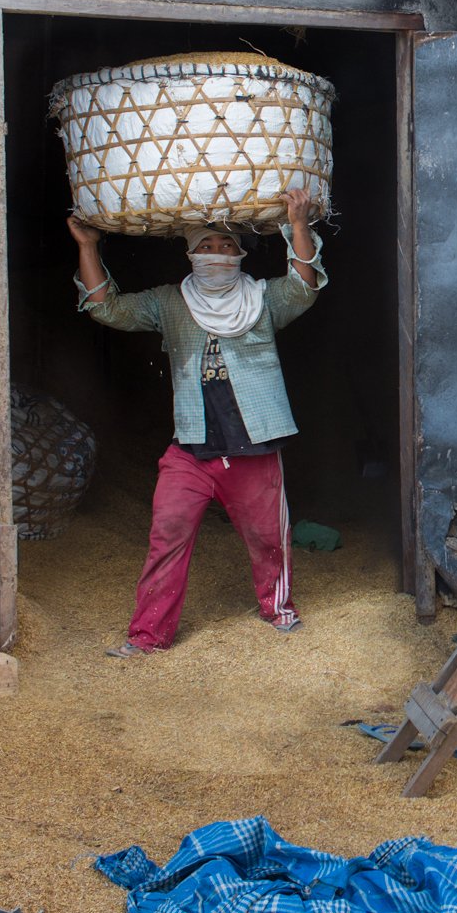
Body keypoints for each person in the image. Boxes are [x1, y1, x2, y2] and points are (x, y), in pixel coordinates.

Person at [68, 187, 327, 656]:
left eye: (226, 246)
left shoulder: (263, 299)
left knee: (269, 539)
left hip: (253, 444)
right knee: (166, 535)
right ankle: (147, 637)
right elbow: (106, 307)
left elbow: (304, 287)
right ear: (190, 255)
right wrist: (88, 246)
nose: (216, 254)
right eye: (205, 246)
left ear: (241, 254)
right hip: (190, 447)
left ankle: (279, 611)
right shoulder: (170, 302)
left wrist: (298, 225)